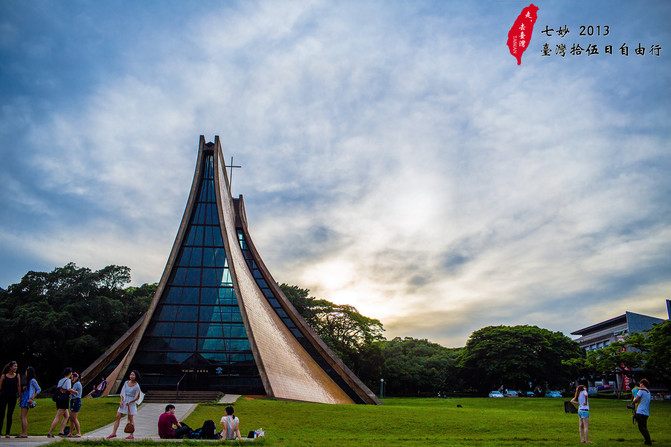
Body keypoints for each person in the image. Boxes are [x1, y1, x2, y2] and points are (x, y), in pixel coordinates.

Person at [107, 370, 142, 439]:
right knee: (117, 416)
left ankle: (131, 434)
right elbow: (122, 392)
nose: (131, 376)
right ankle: (113, 433)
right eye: (131, 375)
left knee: (130, 418)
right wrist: (121, 401)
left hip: (130, 403)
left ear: (136, 376)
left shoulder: (137, 386)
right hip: (124, 401)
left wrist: (130, 401)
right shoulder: (126, 383)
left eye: (133, 375)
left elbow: (137, 397)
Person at [47, 367, 76, 438]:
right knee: (58, 416)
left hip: (59, 399)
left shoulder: (60, 380)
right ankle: (50, 432)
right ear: (70, 373)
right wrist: (75, 391)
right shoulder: (68, 380)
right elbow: (68, 389)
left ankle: (61, 431)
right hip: (64, 399)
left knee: (66, 416)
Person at [17, 366, 40, 438]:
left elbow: (39, 389)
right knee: (22, 416)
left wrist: (32, 398)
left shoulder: (32, 380)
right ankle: (24, 432)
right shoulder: (29, 381)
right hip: (25, 397)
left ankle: (24, 433)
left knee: (23, 416)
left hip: (27, 398)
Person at [0, 361, 21, 438]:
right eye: (14, 366)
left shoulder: (17, 376)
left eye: (16, 366)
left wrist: (19, 396)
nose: (16, 368)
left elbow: (18, 386)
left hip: (12, 397)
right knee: (2, 414)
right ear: (10, 367)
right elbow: (0, 387)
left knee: (10, 414)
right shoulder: (4, 376)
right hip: (3, 396)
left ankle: (7, 432)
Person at [633, 379, 652, 445]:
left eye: (640, 383)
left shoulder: (641, 391)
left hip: (641, 411)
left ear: (642, 384)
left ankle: (648, 440)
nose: (640, 385)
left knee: (641, 427)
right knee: (644, 426)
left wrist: (633, 402)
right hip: (646, 412)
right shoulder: (648, 392)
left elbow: (636, 399)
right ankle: (647, 440)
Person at [67, 372, 82, 437]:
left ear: (76, 377)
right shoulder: (76, 384)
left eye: (73, 377)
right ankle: (70, 432)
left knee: (74, 418)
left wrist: (68, 389)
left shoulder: (77, 384)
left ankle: (78, 432)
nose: (72, 379)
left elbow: (71, 391)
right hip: (74, 401)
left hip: (76, 401)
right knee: (72, 418)